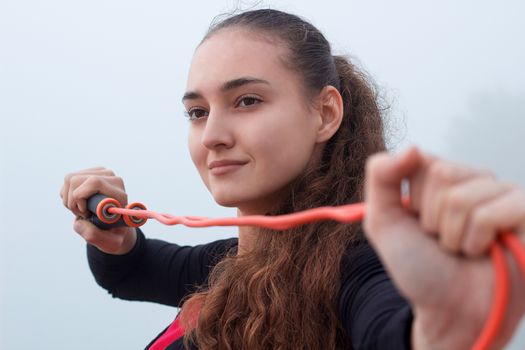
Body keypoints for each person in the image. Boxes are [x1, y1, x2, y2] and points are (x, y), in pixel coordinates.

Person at [60, 8, 525, 350]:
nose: (213, 136)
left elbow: (393, 328)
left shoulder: (358, 267)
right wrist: (114, 237)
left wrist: (442, 328)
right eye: (197, 112)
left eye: (247, 101)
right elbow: (133, 272)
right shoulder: (232, 262)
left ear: (325, 113)